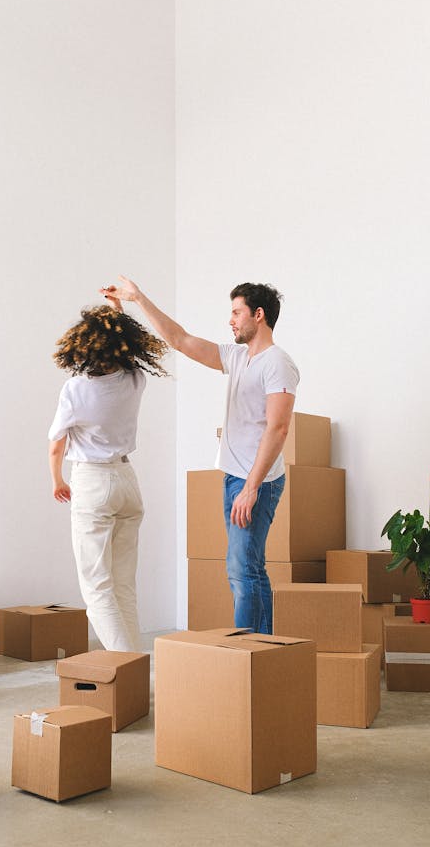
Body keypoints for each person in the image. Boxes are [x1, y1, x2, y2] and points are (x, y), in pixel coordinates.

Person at [101, 276, 298, 635]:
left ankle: (248, 653)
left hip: (257, 481)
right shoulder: (238, 356)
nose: (231, 320)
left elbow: (278, 428)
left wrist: (251, 488)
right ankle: (265, 651)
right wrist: (137, 299)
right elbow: (179, 339)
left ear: (259, 315)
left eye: (237, 313)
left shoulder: (278, 363)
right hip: (235, 477)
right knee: (248, 569)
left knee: (243, 571)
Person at [48, 302, 168, 652]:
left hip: (93, 483)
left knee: (97, 588)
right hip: (128, 481)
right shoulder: (136, 379)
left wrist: (57, 480)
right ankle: (136, 666)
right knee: (123, 585)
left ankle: (126, 667)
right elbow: (126, 352)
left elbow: (56, 445)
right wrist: (117, 310)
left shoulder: (76, 389)